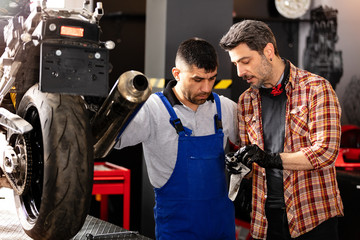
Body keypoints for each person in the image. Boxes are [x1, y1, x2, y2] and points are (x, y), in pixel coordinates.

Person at [219, 20, 344, 240]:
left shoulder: (316, 89)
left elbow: (325, 152)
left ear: (268, 51)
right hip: (265, 220)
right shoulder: (246, 100)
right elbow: (253, 157)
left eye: (245, 61)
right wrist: (239, 167)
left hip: (312, 217)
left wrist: (271, 159)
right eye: (236, 63)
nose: (239, 72)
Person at [115, 37, 238, 240]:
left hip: (221, 225)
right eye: (198, 80)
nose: (206, 88)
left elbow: (252, 142)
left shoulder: (224, 107)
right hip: (177, 228)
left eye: (211, 78)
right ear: (177, 74)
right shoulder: (152, 110)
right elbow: (113, 140)